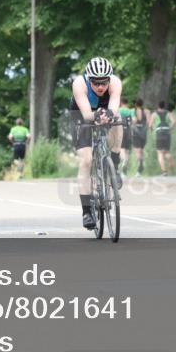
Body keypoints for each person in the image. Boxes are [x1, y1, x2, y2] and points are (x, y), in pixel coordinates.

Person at [69, 57, 123, 231]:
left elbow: (114, 108)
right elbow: (86, 114)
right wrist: (98, 115)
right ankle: (86, 212)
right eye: (96, 82)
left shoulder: (115, 83)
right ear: (88, 78)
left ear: (109, 78)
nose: (100, 87)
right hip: (81, 116)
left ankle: (114, 160)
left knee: (119, 119)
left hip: (104, 112)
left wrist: (110, 115)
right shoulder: (79, 83)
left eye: (104, 82)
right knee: (86, 160)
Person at [149, 101, 176, 176]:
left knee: (160, 153)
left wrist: (152, 131)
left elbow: (150, 125)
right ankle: (172, 162)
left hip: (159, 133)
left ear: (158, 106)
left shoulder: (154, 114)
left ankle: (164, 171)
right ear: (164, 106)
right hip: (167, 133)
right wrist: (170, 129)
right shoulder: (168, 113)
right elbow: (174, 121)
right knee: (167, 151)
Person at [130, 98, 149, 177]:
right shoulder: (147, 111)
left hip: (136, 132)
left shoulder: (133, 111)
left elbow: (134, 120)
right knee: (142, 150)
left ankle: (139, 168)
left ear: (136, 104)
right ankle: (141, 164)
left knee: (137, 151)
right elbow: (148, 122)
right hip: (144, 132)